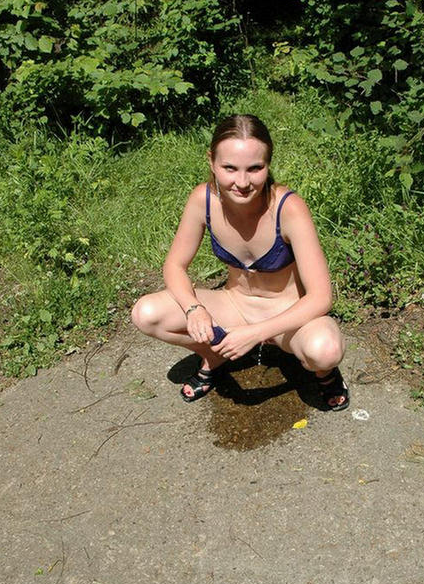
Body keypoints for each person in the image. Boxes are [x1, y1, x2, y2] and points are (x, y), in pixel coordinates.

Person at [131, 114, 349, 410]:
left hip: (287, 316)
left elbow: (321, 297)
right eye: (230, 168)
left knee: (326, 350)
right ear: (211, 161)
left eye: (255, 168)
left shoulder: (288, 208)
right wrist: (194, 309)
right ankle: (214, 354)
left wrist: (257, 333)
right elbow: (174, 265)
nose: (242, 182)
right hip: (234, 304)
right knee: (146, 314)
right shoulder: (203, 200)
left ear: (268, 164)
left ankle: (324, 373)